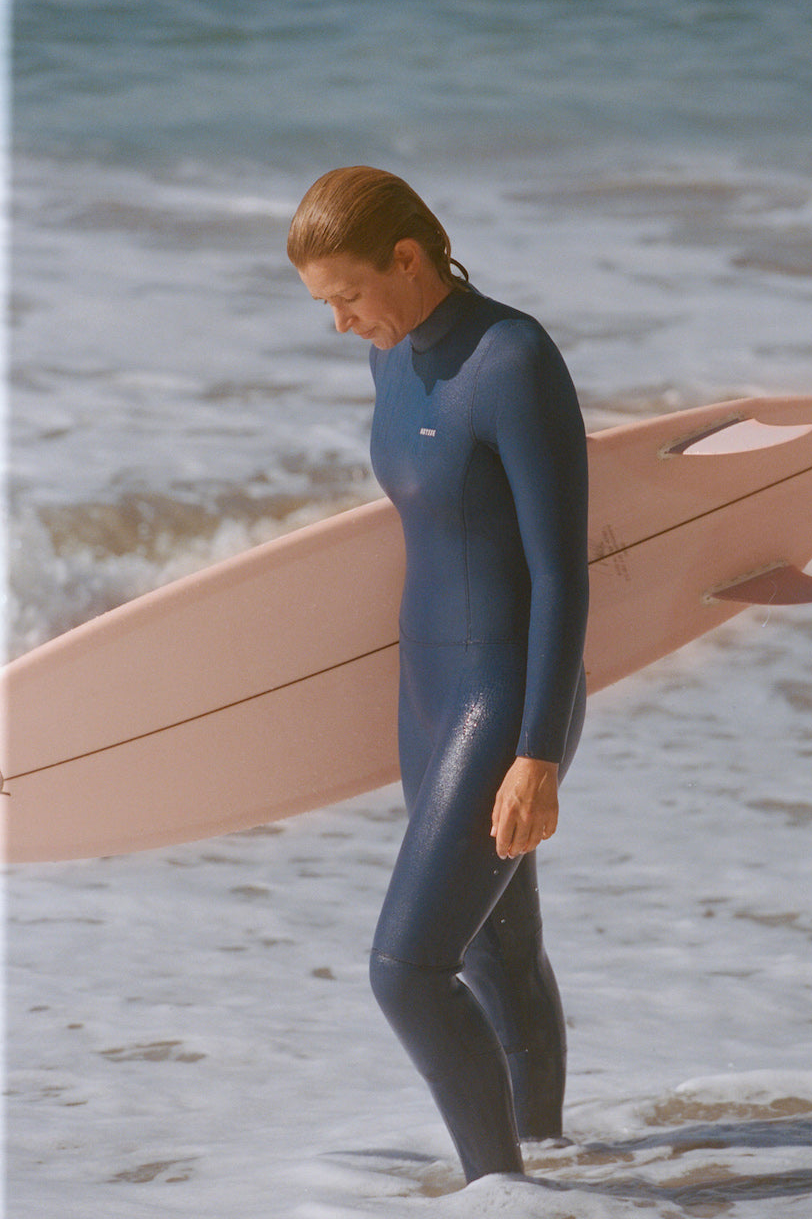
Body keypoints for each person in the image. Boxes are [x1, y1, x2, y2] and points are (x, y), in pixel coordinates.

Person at [287, 167, 588, 1184]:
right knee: (495, 944)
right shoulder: (391, 359)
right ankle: (551, 1166)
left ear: (407, 259)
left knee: (406, 970)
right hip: (427, 691)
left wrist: (538, 751)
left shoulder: (513, 359)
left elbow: (559, 572)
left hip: (504, 696)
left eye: (346, 295)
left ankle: (497, 1192)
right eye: (324, 304)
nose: (338, 323)